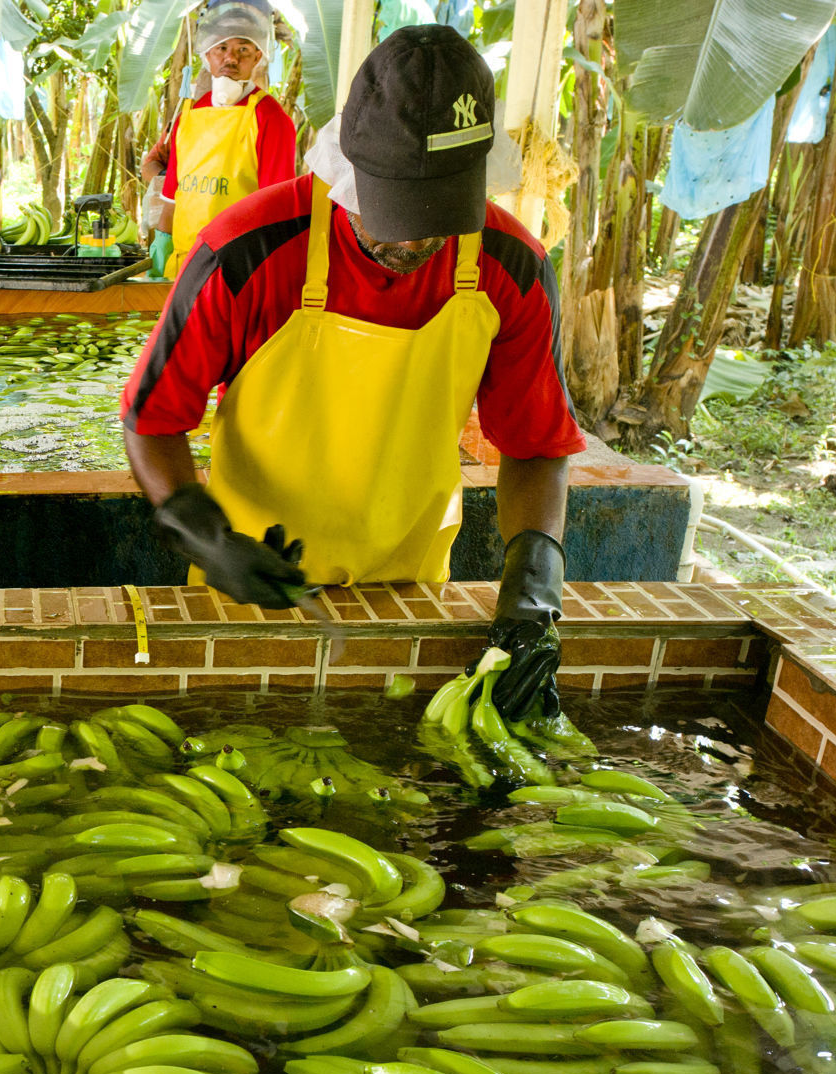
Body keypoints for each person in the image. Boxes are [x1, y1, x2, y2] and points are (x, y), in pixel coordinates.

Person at [121, 25, 581, 712]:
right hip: (249, 588)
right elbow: (151, 418)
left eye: (440, 215)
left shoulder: (511, 265)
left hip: (412, 588)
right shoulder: (246, 252)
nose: (416, 239)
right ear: (346, 172)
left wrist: (535, 584)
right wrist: (201, 528)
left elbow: (538, 445)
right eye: (395, 212)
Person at [150, 0, 297, 278]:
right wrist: (162, 241)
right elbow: (171, 196)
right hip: (184, 263)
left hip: (237, 267)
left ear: (258, 56)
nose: (231, 58)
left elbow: (277, 207)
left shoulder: (271, 118)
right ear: (207, 54)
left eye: (243, 49)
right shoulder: (189, 114)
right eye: (222, 48)